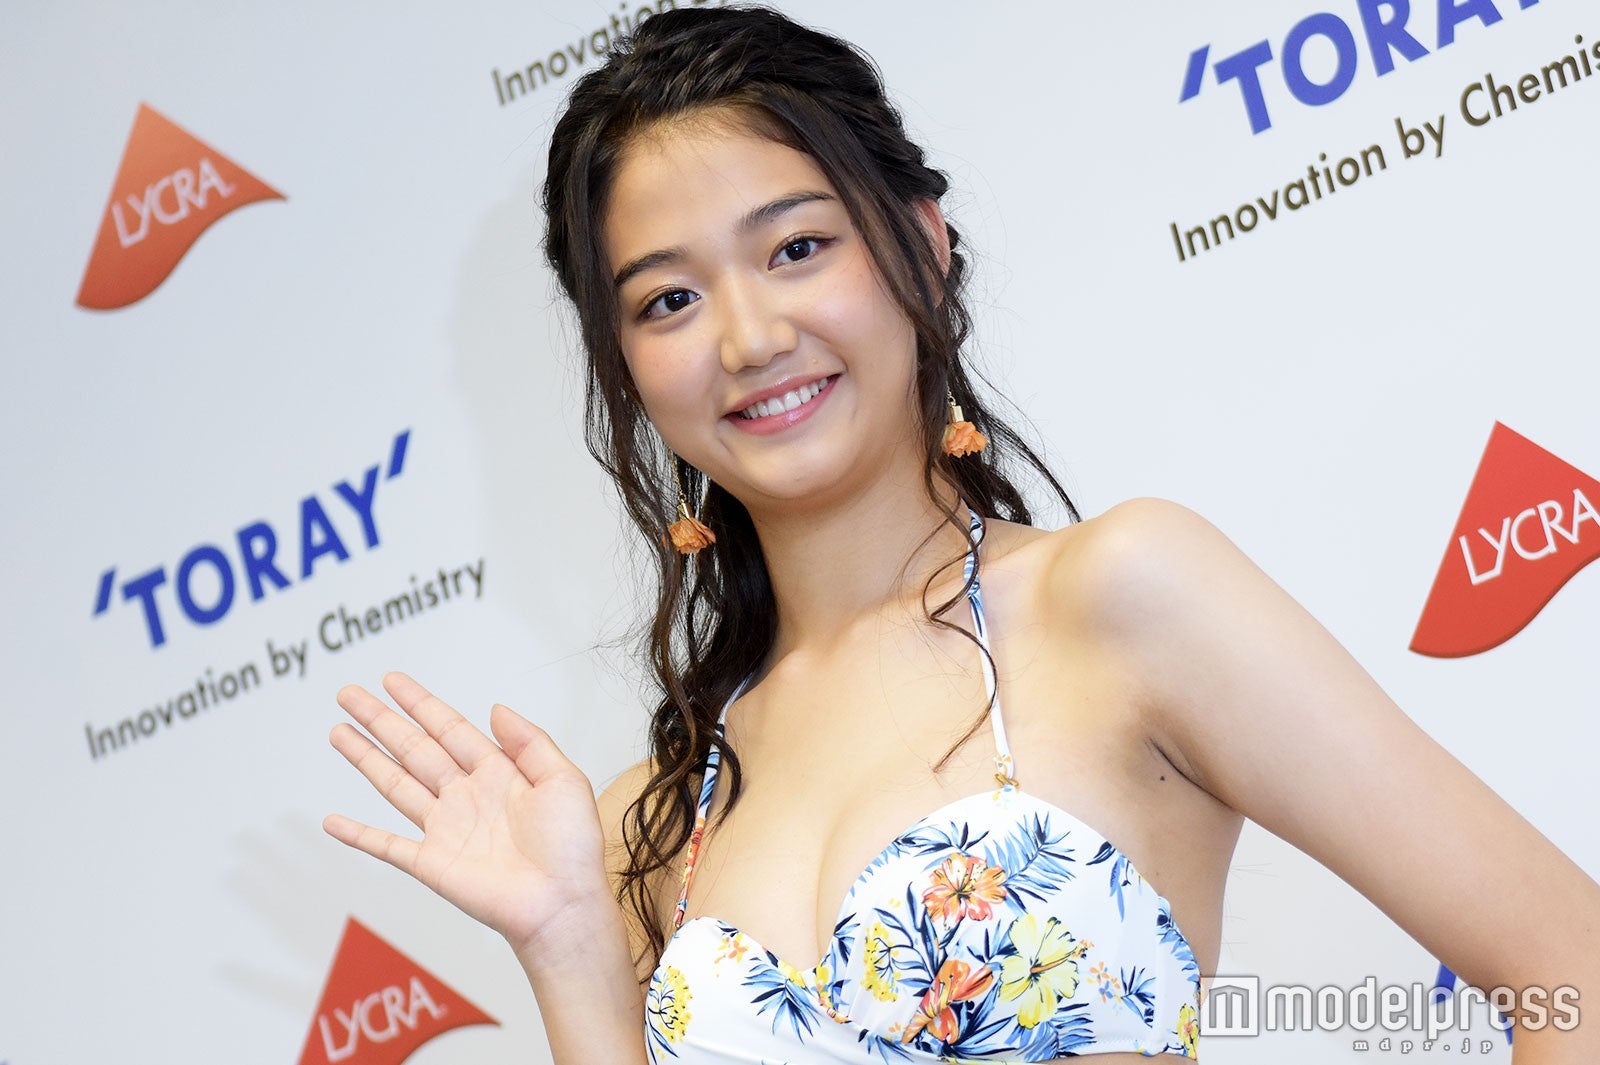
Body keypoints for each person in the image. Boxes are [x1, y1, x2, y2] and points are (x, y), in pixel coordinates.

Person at [321, 6, 1600, 1063]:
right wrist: (567, 952)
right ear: (623, 366)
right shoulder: (647, 821)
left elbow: (1572, 973)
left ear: (921, 246)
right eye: (667, 300)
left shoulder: (1120, 600)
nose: (749, 338)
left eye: (796, 247)